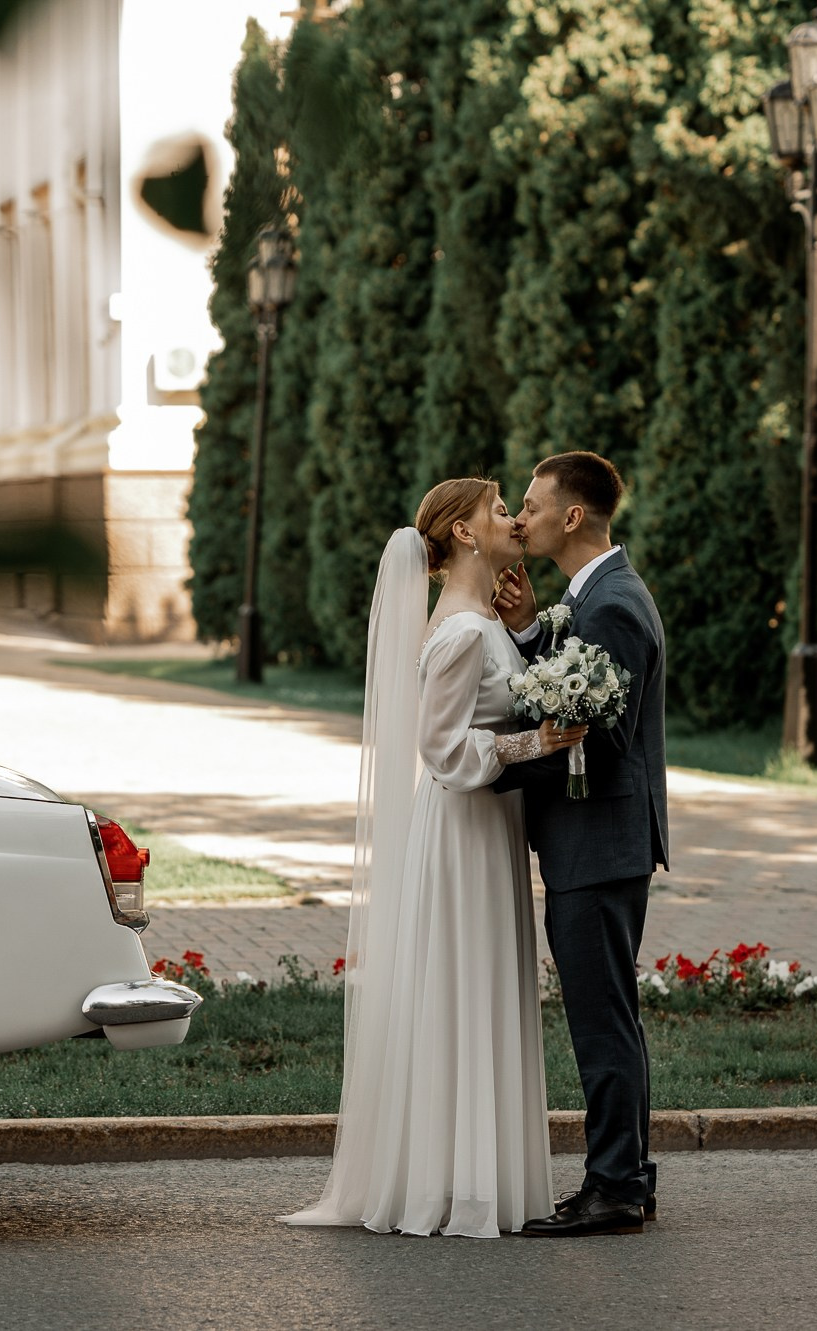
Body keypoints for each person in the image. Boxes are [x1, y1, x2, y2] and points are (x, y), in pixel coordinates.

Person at [282, 478, 585, 1238]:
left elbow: (494, 691)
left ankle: (482, 1172)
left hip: (491, 828)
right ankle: (453, 1180)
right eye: (498, 509)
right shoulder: (452, 631)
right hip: (462, 831)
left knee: (479, 982)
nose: (514, 518)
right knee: (461, 981)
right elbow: (444, 748)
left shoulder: (481, 622)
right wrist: (536, 742)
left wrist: (520, 634)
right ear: (464, 533)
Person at [493, 450, 669, 1238]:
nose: (520, 517)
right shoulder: (588, 597)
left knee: (601, 1020)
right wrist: (532, 630)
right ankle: (627, 1172)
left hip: (599, 844)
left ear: (571, 516)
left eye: (530, 505)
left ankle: (615, 1187)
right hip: (596, 846)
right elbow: (568, 686)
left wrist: (497, 761)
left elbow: (600, 741)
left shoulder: (615, 607)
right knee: (610, 1016)